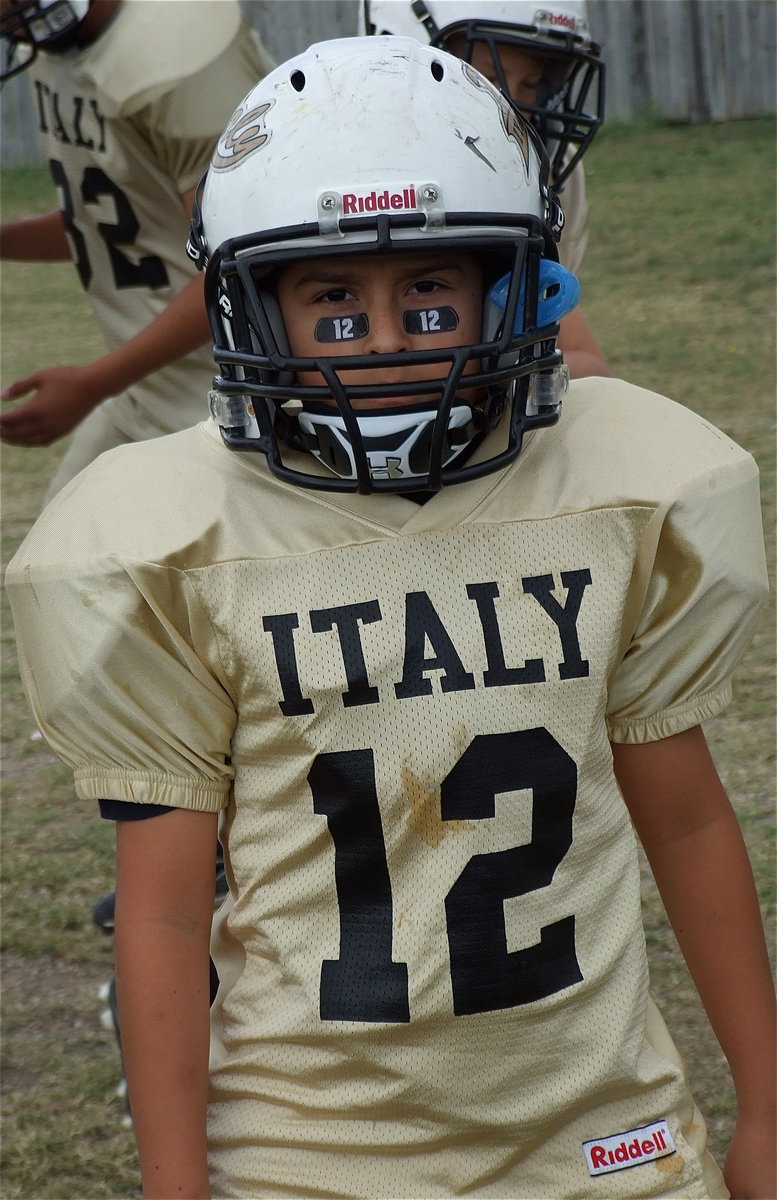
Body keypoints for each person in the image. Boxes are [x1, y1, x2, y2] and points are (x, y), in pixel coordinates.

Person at [6, 36, 775, 1200]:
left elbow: (688, 824)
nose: (381, 340)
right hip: (311, 1152)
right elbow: (160, 916)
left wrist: (766, 1107)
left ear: (507, 288)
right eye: (331, 301)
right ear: (254, 311)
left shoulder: (616, 490)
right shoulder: (181, 541)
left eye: (428, 291)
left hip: (600, 1128)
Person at [0, 0, 273, 503]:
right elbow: (119, 223)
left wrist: (93, 383)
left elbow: (240, 263)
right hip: (146, 390)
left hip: (225, 400)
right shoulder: (55, 45)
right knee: (52, 567)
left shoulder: (176, 54)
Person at [362, 0, 610, 380]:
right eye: (488, 79)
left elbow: (590, 364)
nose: (512, 109)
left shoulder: (539, 169)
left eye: (531, 85)